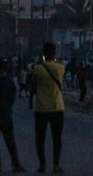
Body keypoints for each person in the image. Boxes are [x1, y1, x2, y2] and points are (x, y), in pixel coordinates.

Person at [0, 56, 26, 173]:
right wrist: (6, 106)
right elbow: (13, 96)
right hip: (6, 114)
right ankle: (15, 164)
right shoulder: (8, 80)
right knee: (10, 141)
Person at [31, 43, 65, 174]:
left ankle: (42, 165)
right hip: (57, 107)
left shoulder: (37, 69)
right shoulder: (61, 68)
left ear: (43, 53)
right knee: (57, 138)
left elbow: (32, 88)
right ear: (55, 53)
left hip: (41, 109)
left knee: (40, 138)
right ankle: (56, 165)